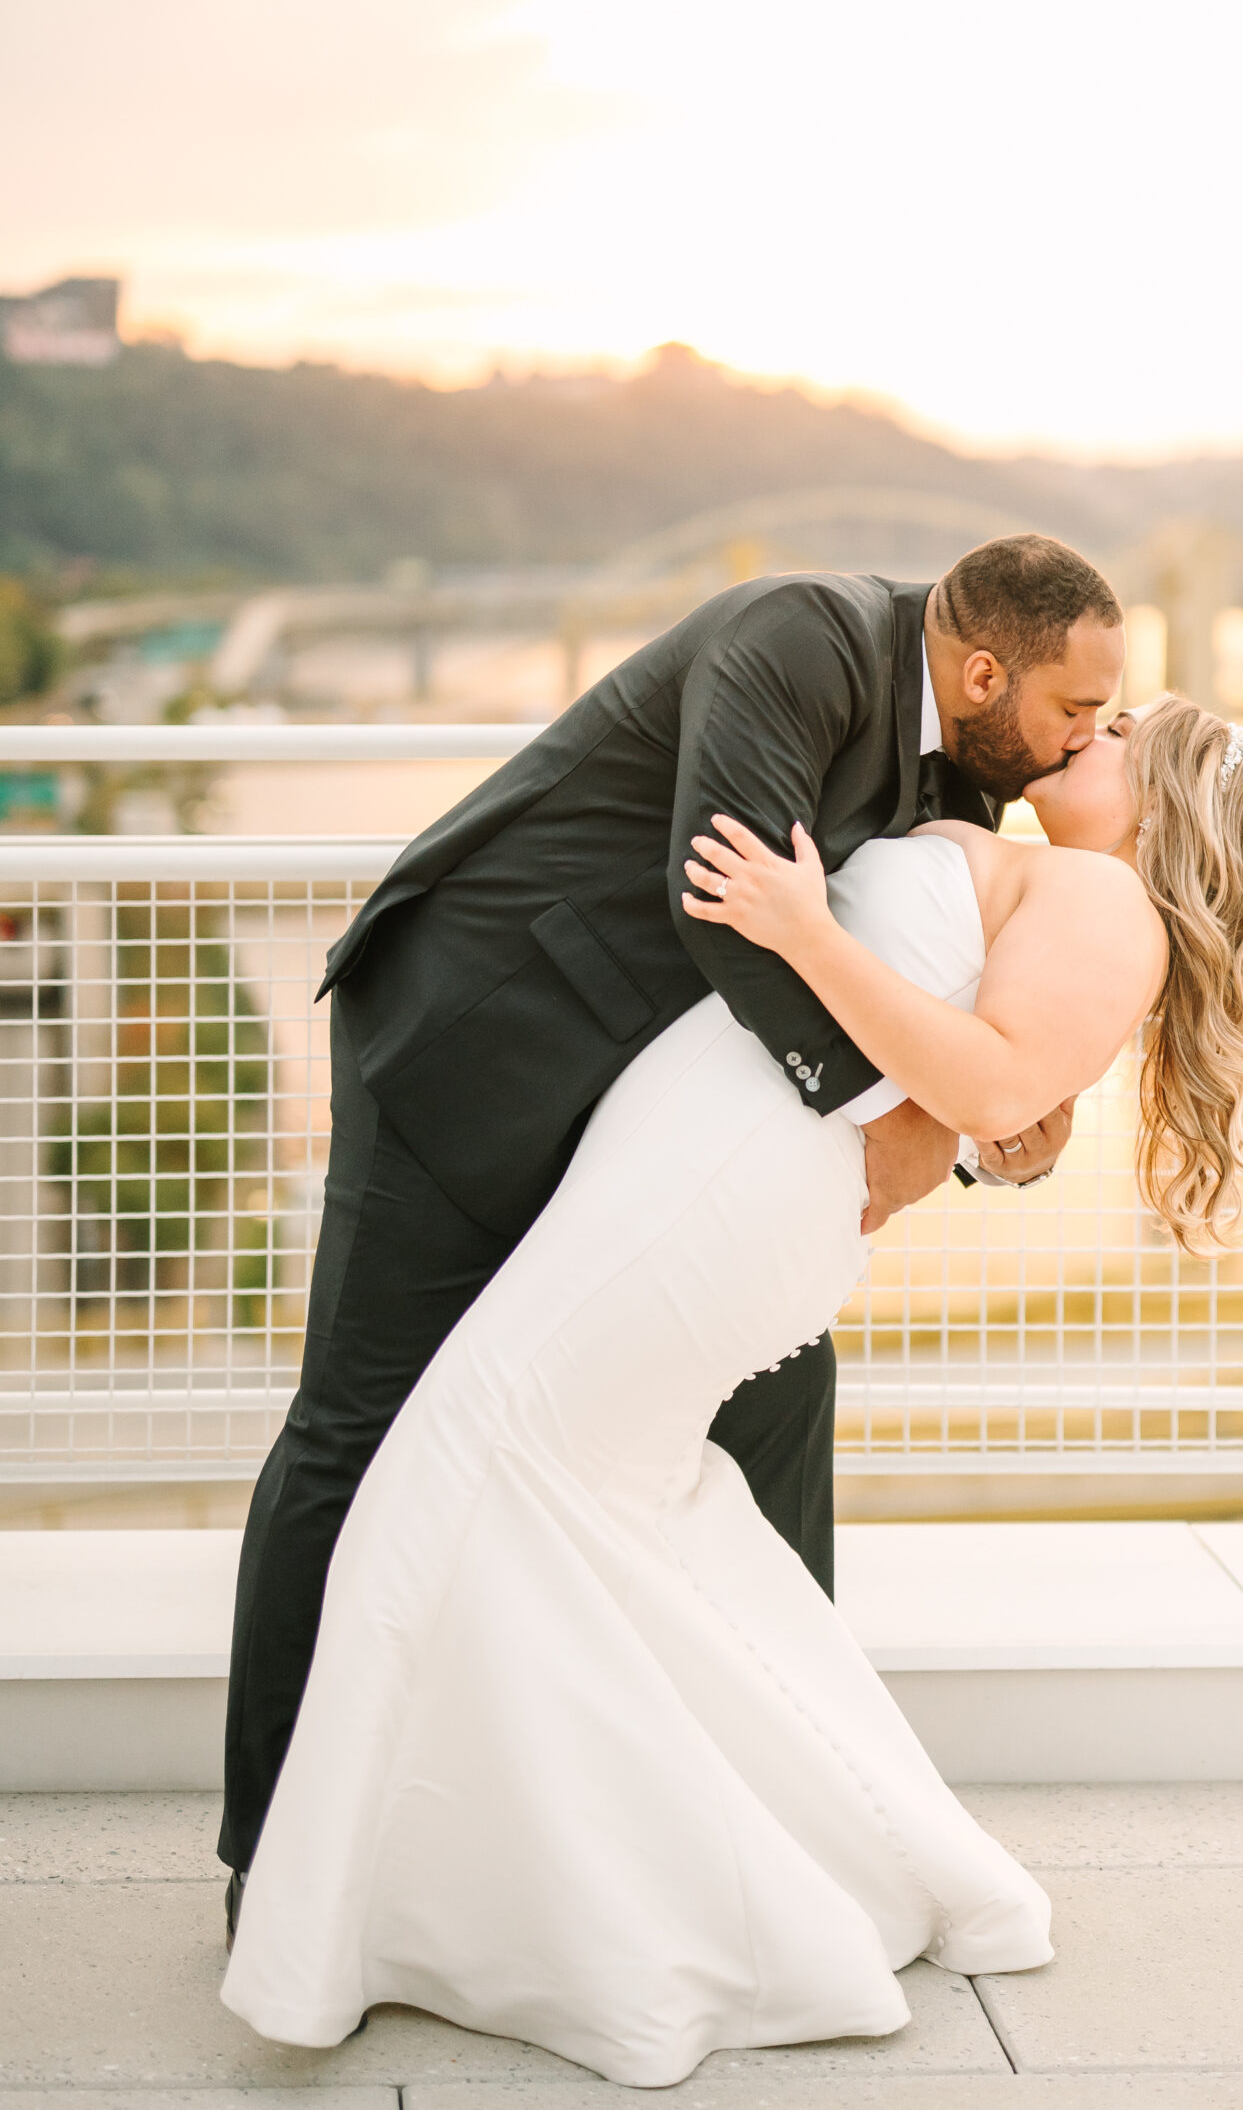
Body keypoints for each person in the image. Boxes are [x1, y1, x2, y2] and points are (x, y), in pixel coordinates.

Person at [220, 691, 1243, 2087]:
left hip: (723, 1196)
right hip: (696, 1169)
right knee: (590, 1505)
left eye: (1129, 730)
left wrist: (802, 929)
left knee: (476, 1461)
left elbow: (992, 1080)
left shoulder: (1107, 902)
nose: (1107, 718)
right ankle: (739, 1854)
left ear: (1166, 800)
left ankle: (597, 1913)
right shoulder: (1026, 851)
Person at [219, 535, 1128, 1925]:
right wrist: (903, 1104)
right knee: (361, 1424)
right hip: (480, 1035)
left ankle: (792, 1814)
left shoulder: (971, 772)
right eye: (1075, 708)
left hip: (654, 1121)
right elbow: (728, 911)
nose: (1088, 737)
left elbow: (920, 991)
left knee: (779, 1388)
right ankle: (273, 1854)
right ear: (987, 669)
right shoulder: (802, 638)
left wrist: (997, 1123)